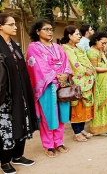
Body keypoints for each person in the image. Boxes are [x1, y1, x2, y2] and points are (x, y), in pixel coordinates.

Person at [27, 19, 71, 158]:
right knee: (48, 116)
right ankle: (48, 145)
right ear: (37, 31)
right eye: (46, 29)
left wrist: (65, 75)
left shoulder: (58, 47)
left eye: (51, 29)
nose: (49, 32)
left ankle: (59, 142)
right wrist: (56, 76)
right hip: (47, 86)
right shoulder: (34, 47)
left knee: (61, 115)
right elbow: (39, 66)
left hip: (62, 84)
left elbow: (65, 62)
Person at [0, 13, 37, 174]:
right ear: (1, 26)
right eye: (11, 24)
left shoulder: (15, 45)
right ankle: (5, 161)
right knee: (6, 127)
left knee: (22, 122)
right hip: (4, 96)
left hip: (20, 92)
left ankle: (18, 155)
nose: (15, 27)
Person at [61, 25, 95, 142]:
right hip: (77, 81)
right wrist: (86, 70)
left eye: (79, 34)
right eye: (76, 34)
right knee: (77, 107)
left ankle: (81, 129)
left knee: (85, 106)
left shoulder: (79, 48)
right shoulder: (66, 48)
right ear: (69, 36)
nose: (79, 36)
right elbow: (74, 64)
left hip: (86, 80)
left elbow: (86, 60)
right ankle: (76, 132)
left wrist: (90, 69)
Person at [87, 31, 107, 135]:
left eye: (105, 43)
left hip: (106, 80)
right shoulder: (92, 52)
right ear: (96, 40)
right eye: (102, 42)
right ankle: (99, 129)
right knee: (100, 103)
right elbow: (94, 68)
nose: (104, 45)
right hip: (99, 81)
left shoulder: (100, 51)